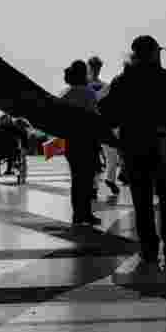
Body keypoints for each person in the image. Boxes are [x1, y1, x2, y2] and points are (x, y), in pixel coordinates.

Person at [99, 35, 166, 265]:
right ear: (155, 53)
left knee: (142, 201)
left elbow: (108, 114)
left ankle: (149, 247)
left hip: (135, 147)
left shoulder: (123, 81)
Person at [61, 60, 101, 225]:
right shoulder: (89, 93)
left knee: (77, 179)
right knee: (87, 180)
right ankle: (86, 213)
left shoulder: (66, 93)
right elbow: (95, 116)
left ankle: (77, 214)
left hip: (71, 142)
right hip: (87, 141)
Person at [89, 56, 120, 197]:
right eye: (94, 66)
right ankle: (94, 186)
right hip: (90, 124)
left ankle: (110, 179)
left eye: (98, 66)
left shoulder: (106, 86)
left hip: (104, 124)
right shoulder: (83, 85)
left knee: (112, 155)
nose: (96, 69)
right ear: (89, 66)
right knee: (93, 157)